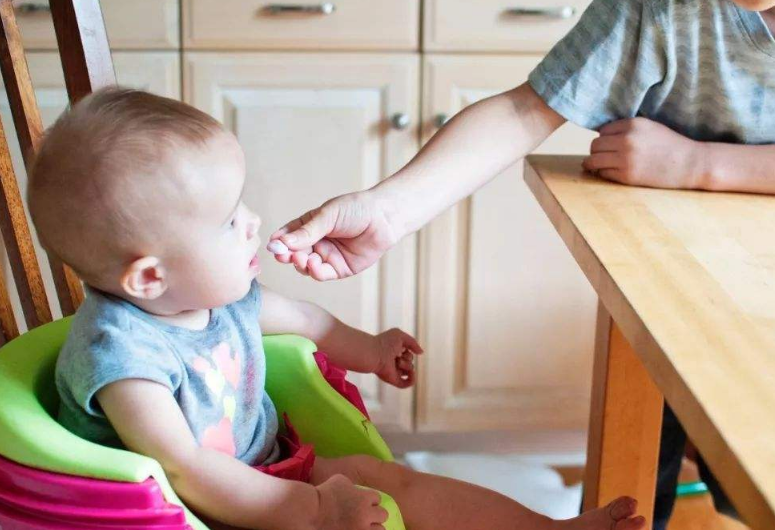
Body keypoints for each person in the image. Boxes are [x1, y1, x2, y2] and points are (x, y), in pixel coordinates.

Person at [267, 0, 775, 527]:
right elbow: (527, 110)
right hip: (672, 289)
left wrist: (698, 164)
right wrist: (388, 211)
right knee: (648, 472)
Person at [29, 88, 644, 530]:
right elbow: (184, 471)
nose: (253, 225)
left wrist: (372, 349)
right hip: (185, 512)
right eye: (228, 222)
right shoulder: (126, 359)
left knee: (399, 484)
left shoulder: (214, 297)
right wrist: (318, 513)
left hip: (269, 471)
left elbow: (308, 320)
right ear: (150, 276)